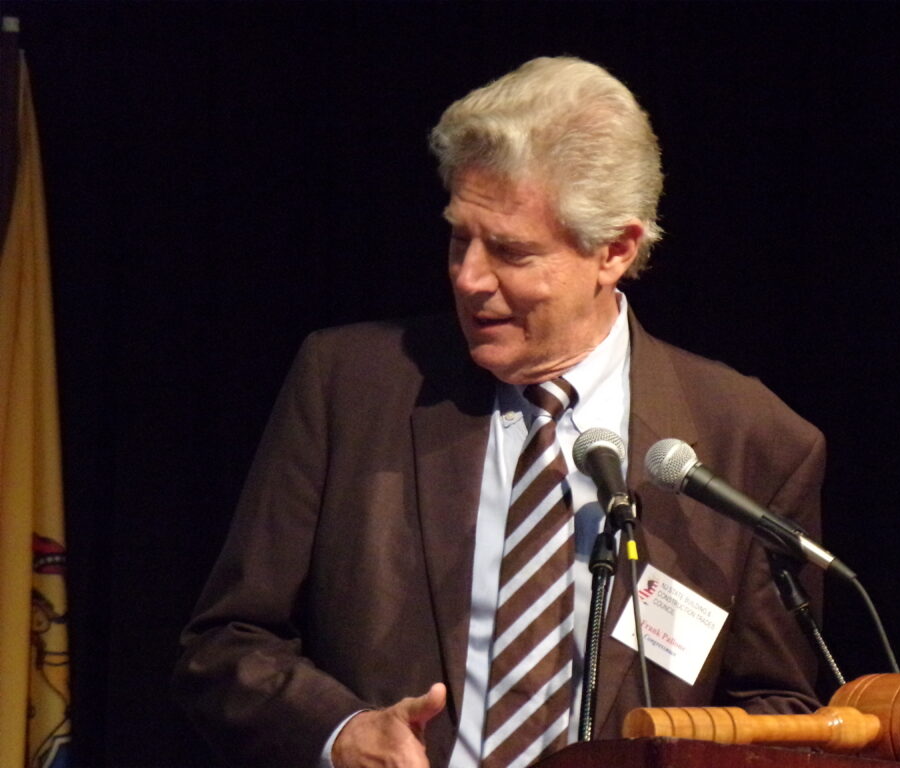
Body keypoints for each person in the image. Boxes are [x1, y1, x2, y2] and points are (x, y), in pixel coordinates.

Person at [173, 56, 825, 768]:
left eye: (511, 252)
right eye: (461, 238)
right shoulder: (351, 386)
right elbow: (227, 644)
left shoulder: (751, 443)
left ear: (614, 250)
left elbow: (779, 712)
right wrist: (343, 733)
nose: (469, 278)